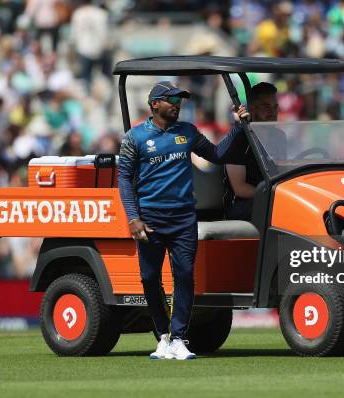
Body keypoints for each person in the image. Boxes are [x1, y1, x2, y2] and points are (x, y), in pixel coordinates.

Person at [117, 81, 249, 360]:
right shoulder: (135, 137)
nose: (177, 105)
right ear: (154, 104)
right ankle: (162, 337)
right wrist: (133, 217)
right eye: (171, 100)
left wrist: (237, 127)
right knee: (149, 278)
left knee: (185, 276)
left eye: (180, 100)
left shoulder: (187, 132)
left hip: (183, 218)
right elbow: (125, 180)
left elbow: (217, 155)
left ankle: (178, 338)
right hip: (150, 219)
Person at [224, 82, 279, 221]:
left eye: (275, 107)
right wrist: (276, 195)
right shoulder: (240, 138)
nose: (272, 112)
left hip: (269, 197)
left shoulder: (279, 136)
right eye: (266, 107)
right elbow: (239, 188)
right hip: (240, 205)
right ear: (253, 108)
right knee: (279, 210)